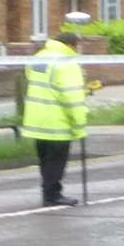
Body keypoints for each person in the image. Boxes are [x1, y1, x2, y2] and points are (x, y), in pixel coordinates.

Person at [22, 13, 91, 206]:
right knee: (56, 161)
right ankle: (53, 195)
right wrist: (80, 123)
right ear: (71, 46)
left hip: (36, 120)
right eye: (77, 47)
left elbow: (34, 80)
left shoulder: (39, 57)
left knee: (44, 160)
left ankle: (48, 192)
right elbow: (72, 96)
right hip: (57, 122)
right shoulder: (67, 63)